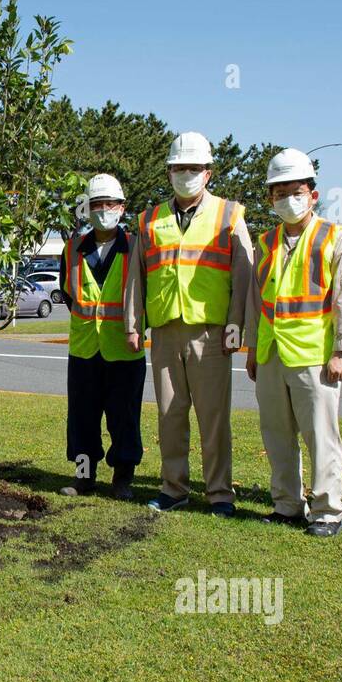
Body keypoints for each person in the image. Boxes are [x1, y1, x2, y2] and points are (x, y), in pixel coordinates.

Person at [125, 131, 254, 516]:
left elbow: (242, 272)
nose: (186, 174)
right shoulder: (149, 220)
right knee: (170, 414)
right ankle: (174, 487)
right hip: (165, 329)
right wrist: (134, 324)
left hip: (209, 332)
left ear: (208, 173)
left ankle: (219, 493)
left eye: (194, 168)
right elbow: (137, 276)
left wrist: (236, 324)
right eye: (179, 168)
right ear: (168, 173)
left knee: (214, 417)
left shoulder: (230, 215)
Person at [246, 149, 342, 537]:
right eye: (279, 193)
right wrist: (253, 348)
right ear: (270, 198)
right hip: (271, 352)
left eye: (295, 191)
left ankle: (328, 510)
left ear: (313, 194)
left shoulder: (337, 238)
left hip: (315, 355)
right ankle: (287, 504)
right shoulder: (265, 242)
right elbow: (258, 299)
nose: (287, 199)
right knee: (276, 434)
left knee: (321, 436)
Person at [59, 174, 146, 499]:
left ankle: (122, 479)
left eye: (109, 204)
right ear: (87, 209)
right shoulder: (73, 248)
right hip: (84, 349)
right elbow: (67, 293)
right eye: (96, 205)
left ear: (122, 208)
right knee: (81, 419)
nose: (103, 210)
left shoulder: (136, 247)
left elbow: (146, 294)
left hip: (125, 348)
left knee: (124, 418)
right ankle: (84, 476)